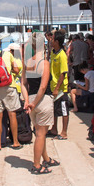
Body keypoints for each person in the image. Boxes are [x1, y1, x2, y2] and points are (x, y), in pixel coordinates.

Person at [21, 32, 59, 175]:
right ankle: (37, 165)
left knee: (39, 132)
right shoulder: (44, 63)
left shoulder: (27, 63)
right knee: (41, 135)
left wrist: (27, 101)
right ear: (43, 45)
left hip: (31, 100)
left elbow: (23, 84)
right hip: (42, 101)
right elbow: (43, 87)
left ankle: (46, 158)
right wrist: (34, 102)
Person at [48, 33, 70, 140]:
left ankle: (64, 132)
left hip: (61, 89)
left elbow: (63, 73)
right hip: (53, 86)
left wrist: (57, 88)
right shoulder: (53, 52)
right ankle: (54, 129)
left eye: (52, 39)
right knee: (54, 110)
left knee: (64, 110)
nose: (50, 41)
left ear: (57, 42)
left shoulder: (62, 55)